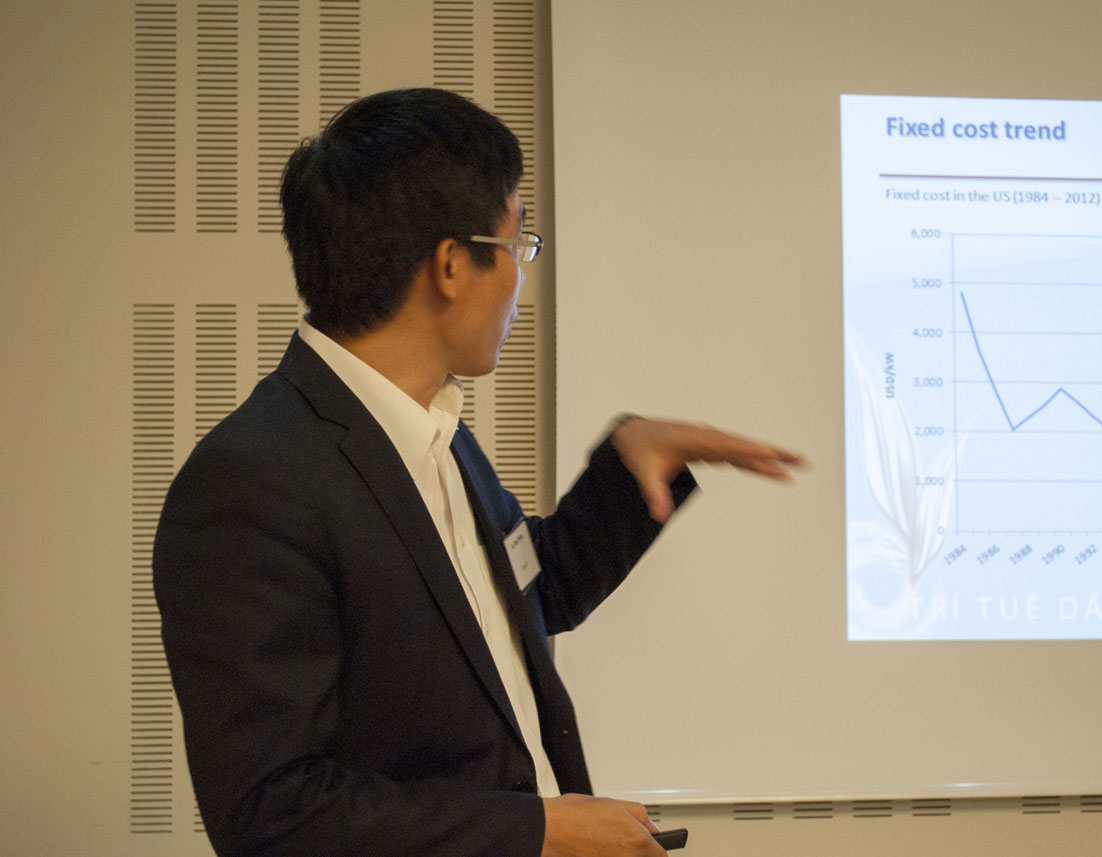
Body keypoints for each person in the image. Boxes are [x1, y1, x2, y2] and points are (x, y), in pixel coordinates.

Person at [153, 88, 803, 857]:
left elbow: (509, 601)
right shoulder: (250, 484)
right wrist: (539, 830)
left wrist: (630, 469)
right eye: (518, 242)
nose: (522, 278)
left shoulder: (436, 428)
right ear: (452, 265)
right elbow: (274, 816)